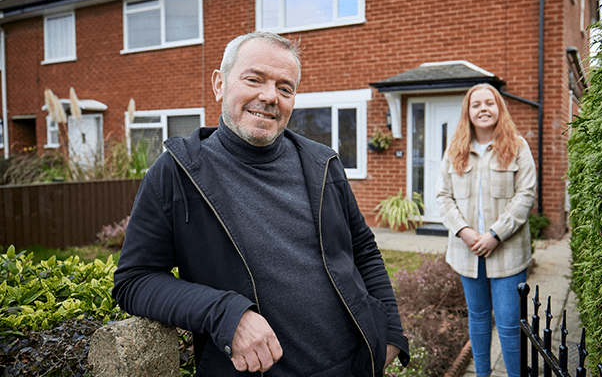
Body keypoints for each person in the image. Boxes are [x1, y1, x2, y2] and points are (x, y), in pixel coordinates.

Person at [113, 31, 409, 376]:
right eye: (254, 79)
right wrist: (224, 313)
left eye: (285, 88)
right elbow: (134, 281)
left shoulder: (322, 163)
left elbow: (363, 250)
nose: (269, 97)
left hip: (353, 365)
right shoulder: (177, 173)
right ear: (219, 84)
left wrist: (389, 330)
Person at [436, 83, 536, 377]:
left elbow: (526, 194)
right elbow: (443, 197)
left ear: (499, 108)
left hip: (507, 253)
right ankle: (482, 374)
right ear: (468, 111)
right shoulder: (455, 149)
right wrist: (464, 232)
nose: (483, 109)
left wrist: (494, 235)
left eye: (489, 103)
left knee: (508, 324)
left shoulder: (517, 146)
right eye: (476, 104)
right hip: (467, 253)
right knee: (478, 321)